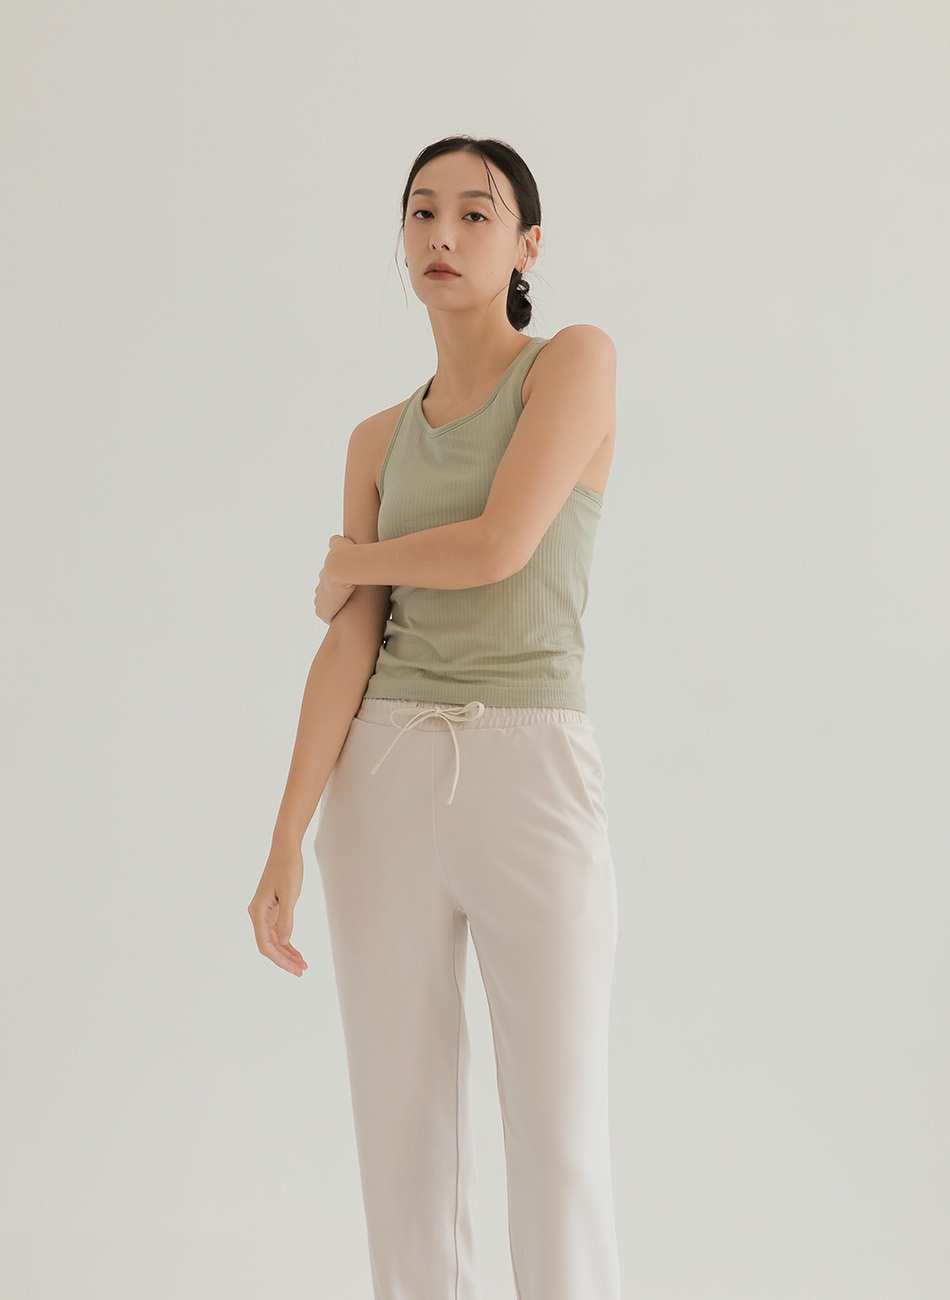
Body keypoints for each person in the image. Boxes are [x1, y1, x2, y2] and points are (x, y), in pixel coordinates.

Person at [248, 134, 620, 1300]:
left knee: (558, 1137)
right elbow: (349, 639)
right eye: (421, 212)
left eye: (474, 212)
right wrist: (286, 835)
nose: (442, 235)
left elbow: (502, 541)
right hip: (385, 774)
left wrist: (357, 557)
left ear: (526, 245)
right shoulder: (374, 439)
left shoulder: (571, 363)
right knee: (401, 1137)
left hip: (529, 764)